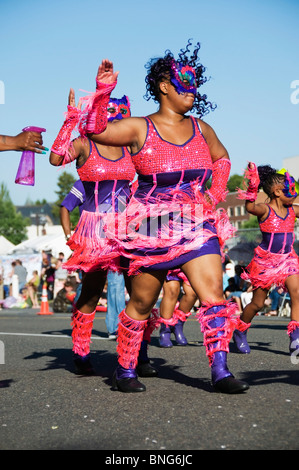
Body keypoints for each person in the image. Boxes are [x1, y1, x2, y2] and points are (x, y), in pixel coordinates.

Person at [88, 43, 249, 394]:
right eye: (183, 86)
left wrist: (215, 194)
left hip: (195, 220)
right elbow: (95, 130)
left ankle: (220, 371)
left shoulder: (201, 128)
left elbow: (221, 158)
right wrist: (102, 94)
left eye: (194, 87)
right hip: (150, 226)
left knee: (213, 295)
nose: (192, 93)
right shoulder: (137, 128)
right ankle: (125, 370)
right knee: (143, 302)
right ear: (164, 86)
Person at [50, 84, 156, 378]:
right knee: (92, 290)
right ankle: (81, 351)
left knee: (140, 292)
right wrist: (71, 120)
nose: (116, 119)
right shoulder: (84, 143)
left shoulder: (129, 146)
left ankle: (140, 354)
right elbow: (56, 158)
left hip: (127, 227)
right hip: (94, 229)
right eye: (110, 113)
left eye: (122, 114)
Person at [233, 163, 299, 356]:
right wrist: (252, 188)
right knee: (258, 304)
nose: (295, 192)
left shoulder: (292, 211)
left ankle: (295, 337)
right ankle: (240, 330)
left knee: (296, 292)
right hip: (266, 262)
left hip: (288, 260)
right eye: (292, 189)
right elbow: (250, 207)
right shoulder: (265, 210)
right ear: (278, 192)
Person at [60, 179, 126, 339]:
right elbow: (65, 207)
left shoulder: (121, 183)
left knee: (117, 284)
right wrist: (69, 236)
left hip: (115, 243)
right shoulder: (83, 183)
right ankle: (79, 314)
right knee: (89, 287)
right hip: (91, 244)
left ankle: (116, 328)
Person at [159, 270, 197, 347]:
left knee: (192, 292)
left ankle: (178, 325)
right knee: (172, 291)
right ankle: (165, 331)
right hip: (171, 261)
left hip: (189, 259)